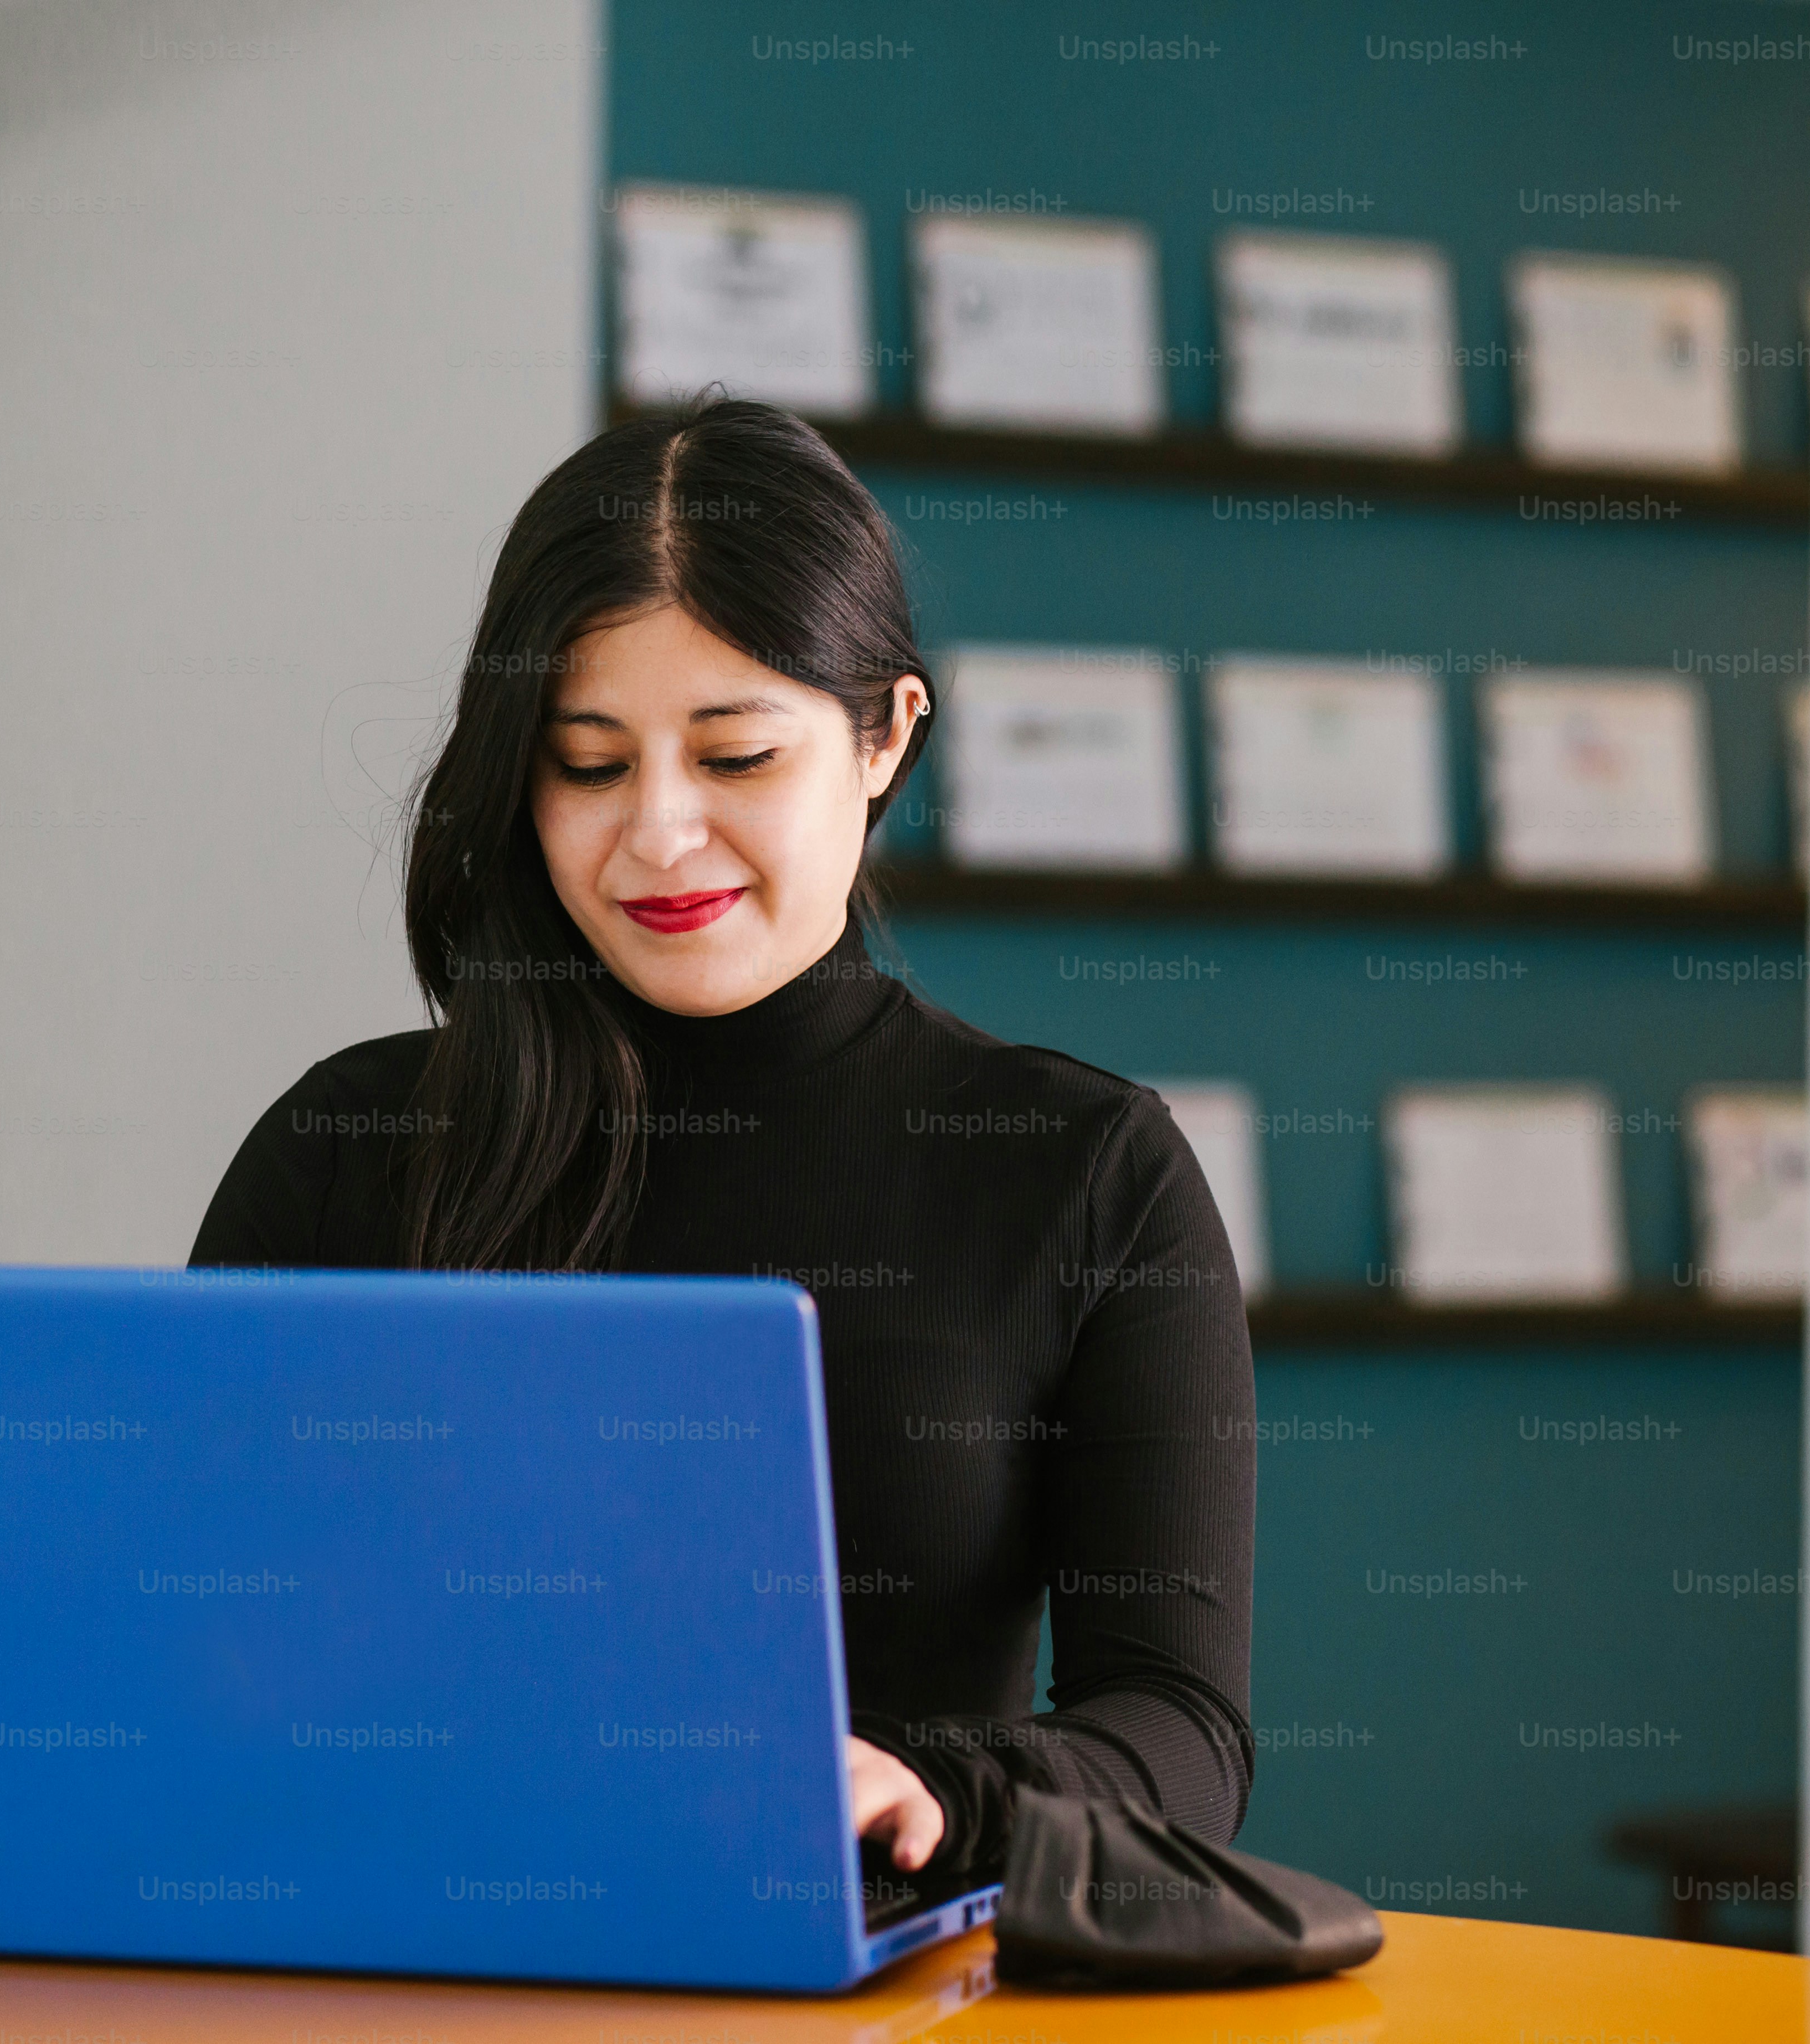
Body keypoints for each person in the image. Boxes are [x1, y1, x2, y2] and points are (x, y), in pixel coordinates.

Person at [192, 398, 1254, 1885]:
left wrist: (934, 1783)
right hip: (410, 1959)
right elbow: (201, 1641)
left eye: (738, 756)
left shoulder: (1082, 1166)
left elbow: (1186, 1730)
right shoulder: (341, 1146)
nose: (659, 835)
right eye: (588, 759)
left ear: (885, 736)